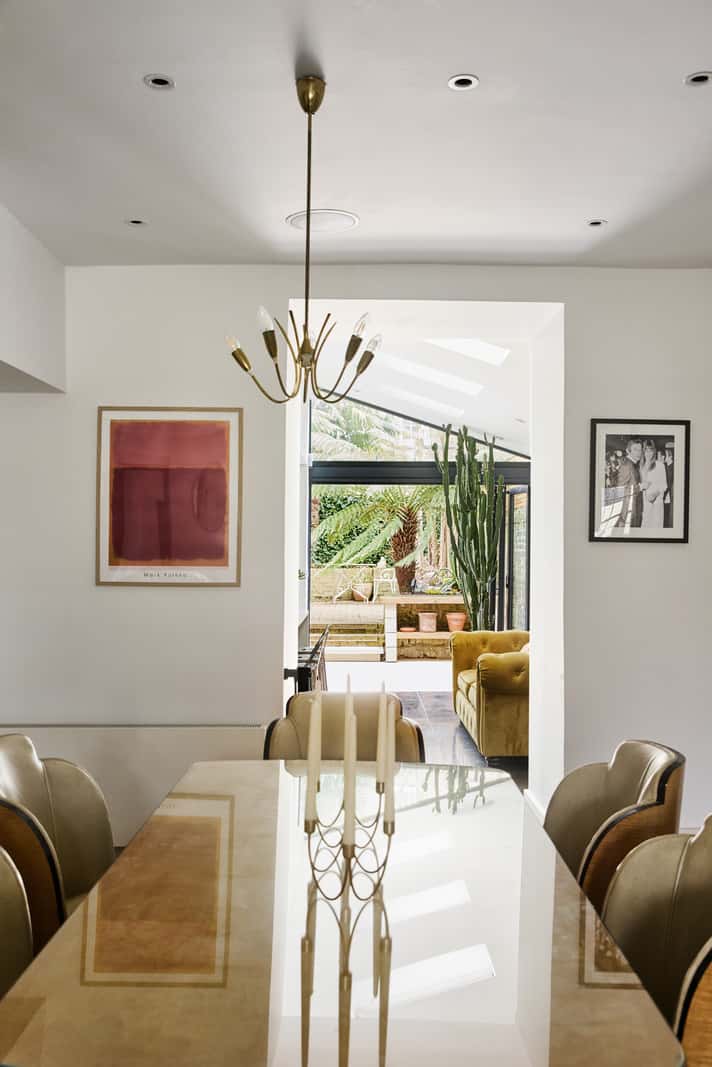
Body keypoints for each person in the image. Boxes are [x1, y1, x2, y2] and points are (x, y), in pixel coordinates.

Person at [615, 438, 643, 529]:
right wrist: (640, 487)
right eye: (635, 449)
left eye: (640, 449)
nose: (639, 452)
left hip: (633, 510)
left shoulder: (634, 464)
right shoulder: (626, 465)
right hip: (627, 513)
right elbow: (620, 490)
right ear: (628, 451)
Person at [639, 438, 667, 528]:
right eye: (646, 450)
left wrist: (655, 494)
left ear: (654, 452)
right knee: (645, 525)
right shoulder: (641, 466)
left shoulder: (660, 465)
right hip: (645, 502)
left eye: (651, 450)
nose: (648, 453)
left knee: (656, 525)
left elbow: (664, 485)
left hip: (657, 501)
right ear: (643, 451)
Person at [663, 441, 674, 528]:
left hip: (669, 494)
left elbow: (669, 483)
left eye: (665, 455)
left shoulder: (672, 467)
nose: (663, 457)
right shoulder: (667, 466)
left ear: (670, 456)